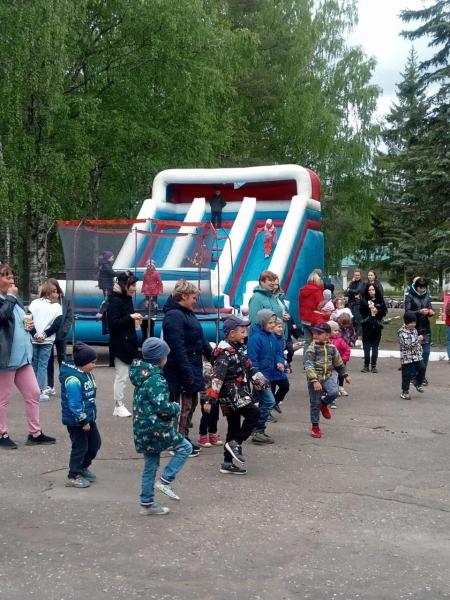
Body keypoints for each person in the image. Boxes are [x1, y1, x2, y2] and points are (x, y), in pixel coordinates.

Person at [130, 337, 192, 515]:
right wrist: (175, 407)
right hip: (157, 429)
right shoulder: (157, 379)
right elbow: (163, 408)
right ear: (161, 358)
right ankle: (165, 480)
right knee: (185, 447)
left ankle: (147, 503)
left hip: (143, 429)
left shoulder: (141, 375)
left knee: (150, 465)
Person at [0, 263, 56, 449]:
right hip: (6, 359)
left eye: (12, 277)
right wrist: (10, 297)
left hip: (23, 357)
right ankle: (1, 433)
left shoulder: (13, 299)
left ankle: (35, 433)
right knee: (3, 398)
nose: (11, 280)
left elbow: (22, 318)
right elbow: (2, 316)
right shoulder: (9, 299)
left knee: (33, 392)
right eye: (6, 277)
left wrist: (29, 327)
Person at [204, 315, 263, 475]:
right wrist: (210, 399)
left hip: (240, 391)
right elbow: (217, 377)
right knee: (254, 413)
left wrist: (260, 381)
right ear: (231, 334)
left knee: (234, 426)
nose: (245, 334)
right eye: (242, 331)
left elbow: (249, 366)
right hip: (231, 394)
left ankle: (227, 463)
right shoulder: (224, 352)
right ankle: (236, 442)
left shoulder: (239, 348)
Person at [162, 279, 212, 456]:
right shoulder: (174, 316)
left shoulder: (188, 314)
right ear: (183, 296)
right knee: (183, 406)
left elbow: (201, 339)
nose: (195, 301)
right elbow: (177, 347)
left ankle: (183, 437)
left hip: (192, 366)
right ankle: (177, 441)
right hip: (181, 370)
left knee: (191, 404)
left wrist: (213, 357)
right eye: (193, 297)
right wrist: (187, 372)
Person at [60, 342, 101, 488]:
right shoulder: (73, 380)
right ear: (83, 363)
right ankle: (73, 475)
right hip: (77, 421)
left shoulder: (86, 373)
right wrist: (83, 421)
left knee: (95, 444)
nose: (95, 365)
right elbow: (74, 404)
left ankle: (83, 467)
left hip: (89, 417)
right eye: (92, 362)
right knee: (80, 447)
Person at [304, 322, 351, 438]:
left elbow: (338, 362)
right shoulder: (311, 348)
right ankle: (315, 427)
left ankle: (323, 404)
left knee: (334, 392)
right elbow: (308, 365)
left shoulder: (332, 348)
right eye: (315, 333)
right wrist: (314, 380)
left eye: (319, 333)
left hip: (327, 377)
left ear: (327, 335)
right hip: (314, 379)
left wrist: (345, 375)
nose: (315, 335)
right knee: (315, 403)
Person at [107, 272, 142, 417]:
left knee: (134, 374)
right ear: (123, 285)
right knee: (121, 375)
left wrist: (134, 319)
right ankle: (118, 405)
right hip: (120, 344)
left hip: (130, 342)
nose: (134, 288)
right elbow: (113, 323)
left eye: (135, 285)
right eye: (132, 285)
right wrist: (130, 317)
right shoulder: (115, 300)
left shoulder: (127, 298)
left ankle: (139, 402)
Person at [247, 309, 282, 445]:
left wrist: (279, 361)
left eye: (274, 322)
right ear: (262, 322)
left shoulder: (272, 337)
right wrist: (257, 378)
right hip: (260, 377)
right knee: (269, 402)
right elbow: (252, 360)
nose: (273, 325)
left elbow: (277, 352)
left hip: (269, 375)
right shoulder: (255, 338)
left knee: (262, 403)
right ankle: (258, 429)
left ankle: (256, 430)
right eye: (270, 323)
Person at [29, 281, 63, 401]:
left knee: (34, 365)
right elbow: (56, 325)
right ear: (49, 292)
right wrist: (44, 335)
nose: (57, 294)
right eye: (55, 291)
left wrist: (35, 334)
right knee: (42, 366)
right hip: (47, 340)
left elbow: (28, 319)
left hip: (34, 339)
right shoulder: (57, 307)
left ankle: (31, 391)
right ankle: (39, 391)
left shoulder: (34, 303)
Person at [45, 278, 73, 397]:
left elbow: (69, 317)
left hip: (61, 335)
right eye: (51, 290)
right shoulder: (45, 301)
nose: (53, 292)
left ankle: (65, 386)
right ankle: (50, 386)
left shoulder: (65, 301)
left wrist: (64, 331)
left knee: (63, 360)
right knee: (49, 360)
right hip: (48, 334)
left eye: (55, 289)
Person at [404, 277, 434, 384]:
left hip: (425, 329)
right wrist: (419, 312)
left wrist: (430, 312)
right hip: (413, 328)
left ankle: (421, 376)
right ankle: (413, 376)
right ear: (416, 287)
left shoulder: (427, 296)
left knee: (425, 353)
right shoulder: (410, 296)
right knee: (414, 353)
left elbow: (430, 307)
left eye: (424, 287)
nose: (422, 290)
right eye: (420, 287)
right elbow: (407, 312)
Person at [397, 311, 426, 400]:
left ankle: (417, 382)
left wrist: (420, 348)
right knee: (406, 374)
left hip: (416, 354)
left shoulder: (415, 330)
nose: (413, 324)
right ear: (406, 322)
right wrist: (417, 339)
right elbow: (407, 345)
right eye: (411, 323)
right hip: (406, 356)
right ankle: (405, 392)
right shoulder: (401, 332)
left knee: (422, 367)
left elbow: (417, 344)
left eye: (414, 322)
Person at [360, 284, 388, 373]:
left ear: (376, 290)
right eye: (369, 290)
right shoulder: (364, 300)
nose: (371, 291)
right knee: (366, 346)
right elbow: (361, 311)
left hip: (377, 326)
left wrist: (377, 310)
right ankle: (366, 365)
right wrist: (368, 308)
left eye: (373, 289)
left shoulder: (380, 300)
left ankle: (373, 366)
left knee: (375, 346)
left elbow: (384, 312)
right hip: (366, 325)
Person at [197, 361, 223, 448]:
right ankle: (203, 436)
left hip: (215, 395)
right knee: (206, 416)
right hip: (206, 396)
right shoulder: (205, 365)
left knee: (215, 416)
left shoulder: (218, 363)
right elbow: (206, 378)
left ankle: (212, 433)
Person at [299, 270, 326, 348]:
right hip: (314, 319)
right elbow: (320, 305)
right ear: (317, 281)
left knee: (307, 341)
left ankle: (306, 356)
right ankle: (316, 356)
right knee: (318, 341)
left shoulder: (302, 290)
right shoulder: (317, 290)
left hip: (304, 319)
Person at [270, 318, 290, 414]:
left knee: (285, 386)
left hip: (279, 368)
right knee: (271, 390)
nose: (281, 329)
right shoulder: (270, 338)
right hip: (271, 369)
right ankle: (267, 413)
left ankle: (275, 402)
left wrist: (285, 365)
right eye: (278, 327)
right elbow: (270, 354)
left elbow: (281, 354)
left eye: (282, 327)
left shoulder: (281, 339)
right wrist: (277, 363)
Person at [328, 320, 351, 400]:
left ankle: (339, 388)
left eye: (338, 330)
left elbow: (347, 349)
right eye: (335, 331)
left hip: (338, 363)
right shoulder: (325, 341)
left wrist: (343, 359)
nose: (337, 332)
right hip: (327, 364)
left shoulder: (340, 340)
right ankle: (330, 390)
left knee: (339, 375)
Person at [346, 270, 364, 338]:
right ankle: (352, 335)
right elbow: (346, 292)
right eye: (356, 275)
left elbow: (357, 291)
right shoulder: (352, 283)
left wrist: (349, 290)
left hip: (357, 304)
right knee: (351, 320)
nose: (357, 276)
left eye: (358, 275)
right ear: (354, 276)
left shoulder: (361, 283)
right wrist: (351, 283)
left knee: (358, 320)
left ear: (360, 276)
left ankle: (359, 336)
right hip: (350, 303)